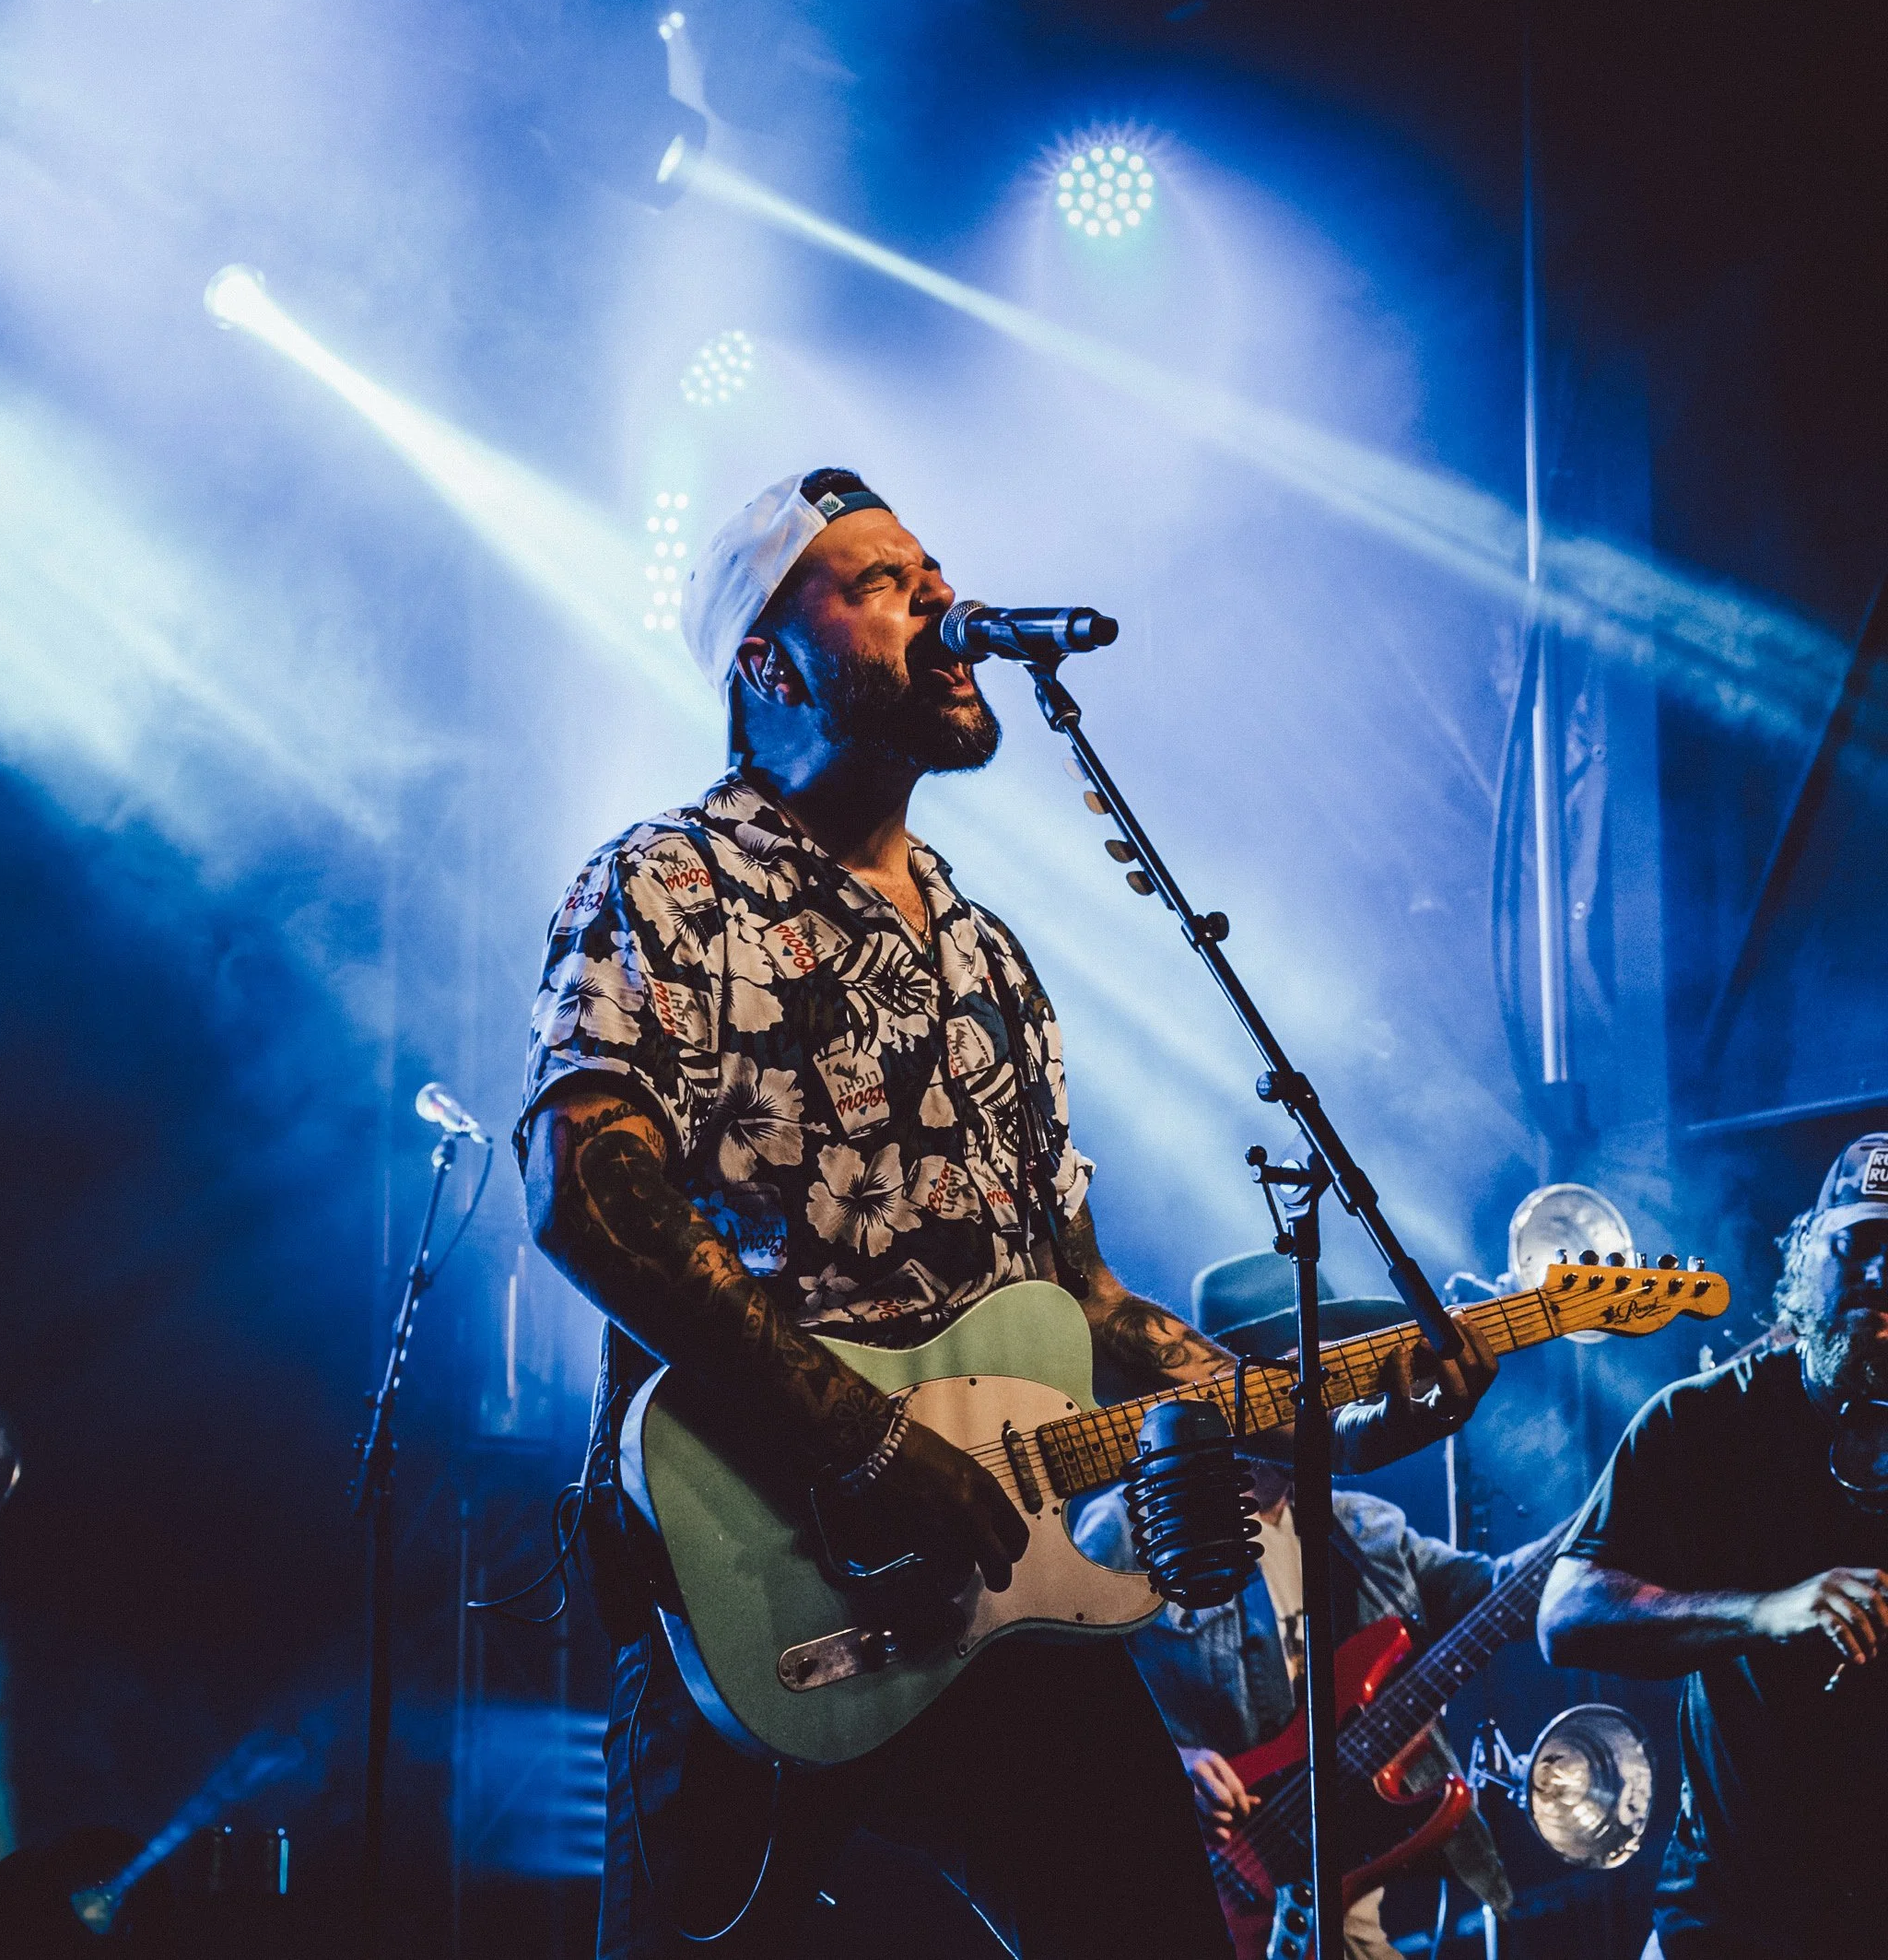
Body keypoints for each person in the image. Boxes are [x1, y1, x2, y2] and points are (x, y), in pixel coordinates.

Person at [516, 466, 1497, 1959]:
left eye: (935, 572)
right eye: (883, 582)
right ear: (768, 660)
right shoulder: (666, 884)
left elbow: (1086, 1307)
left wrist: (1329, 1419)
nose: (941, 605)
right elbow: (588, 1195)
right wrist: (864, 1437)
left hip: (1000, 1598)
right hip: (755, 1581)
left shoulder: (990, 958)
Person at [1074, 1249, 1521, 1960]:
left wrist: (1615, 1503)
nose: (1327, 1389)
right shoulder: (1130, 1529)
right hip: (1205, 1891)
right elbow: (1060, 1713)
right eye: (1301, 1370)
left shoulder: (1367, 1528)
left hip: (1340, 1901)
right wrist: (1174, 1764)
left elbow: (1495, 1589)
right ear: (1229, 1381)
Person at [1539, 1130, 1888, 1957]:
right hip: (1735, 1919)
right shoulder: (1700, 1424)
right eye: (1859, 1248)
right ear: (1806, 1256)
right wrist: (1766, 1612)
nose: (1880, 1281)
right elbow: (1567, 1615)